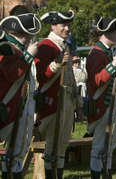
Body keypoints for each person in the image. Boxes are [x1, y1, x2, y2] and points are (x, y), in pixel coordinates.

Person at [34, 10, 77, 179]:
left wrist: (77, 104)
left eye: (68, 25)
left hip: (66, 102)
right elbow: (42, 76)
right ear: (53, 26)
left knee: (61, 147)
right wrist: (57, 64)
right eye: (63, 25)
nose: (67, 28)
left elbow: (70, 78)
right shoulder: (45, 45)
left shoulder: (64, 45)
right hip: (53, 104)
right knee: (52, 147)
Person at [0, 14, 41, 179]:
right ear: (24, 34)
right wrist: (28, 56)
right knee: (13, 155)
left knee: (17, 153)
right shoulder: (7, 48)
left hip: (21, 107)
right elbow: (13, 74)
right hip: (9, 109)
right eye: (30, 34)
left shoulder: (18, 50)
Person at [85, 17, 116, 178]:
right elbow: (96, 80)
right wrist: (112, 66)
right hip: (101, 104)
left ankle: (105, 172)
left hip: (109, 103)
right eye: (115, 32)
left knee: (109, 144)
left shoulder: (107, 52)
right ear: (106, 34)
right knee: (100, 145)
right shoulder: (97, 53)